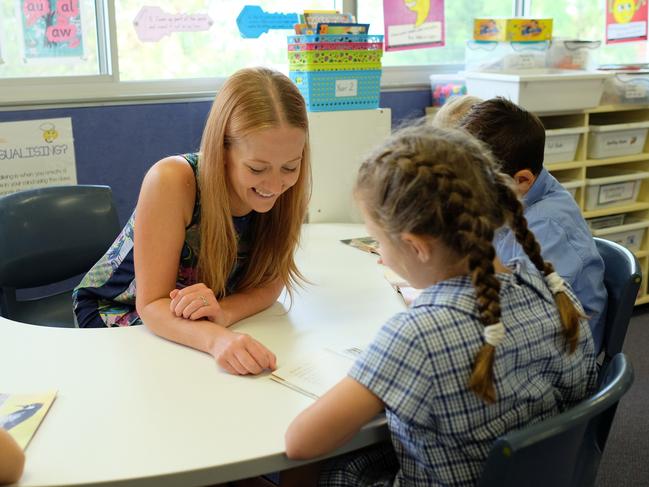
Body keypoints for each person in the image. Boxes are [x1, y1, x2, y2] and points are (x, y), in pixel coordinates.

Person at [284, 125, 597, 486]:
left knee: (312, 471)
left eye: (379, 242)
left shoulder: (417, 338)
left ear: (417, 246)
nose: (381, 256)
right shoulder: (557, 292)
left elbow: (300, 442)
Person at [73, 67, 311, 375]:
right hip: (121, 313)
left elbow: (270, 283)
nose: (275, 185)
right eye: (256, 169)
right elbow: (152, 305)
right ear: (222, 150)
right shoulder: (171, 180)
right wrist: (217, 339)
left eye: (290, 167)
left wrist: (222, 315)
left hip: (198, 319)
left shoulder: (286, 190)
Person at [460, 97, 607, 352]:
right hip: (521, 332)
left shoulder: (547, 225)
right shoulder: (511, 194)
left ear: (522, 180)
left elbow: (528, 317)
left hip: (560, 353)